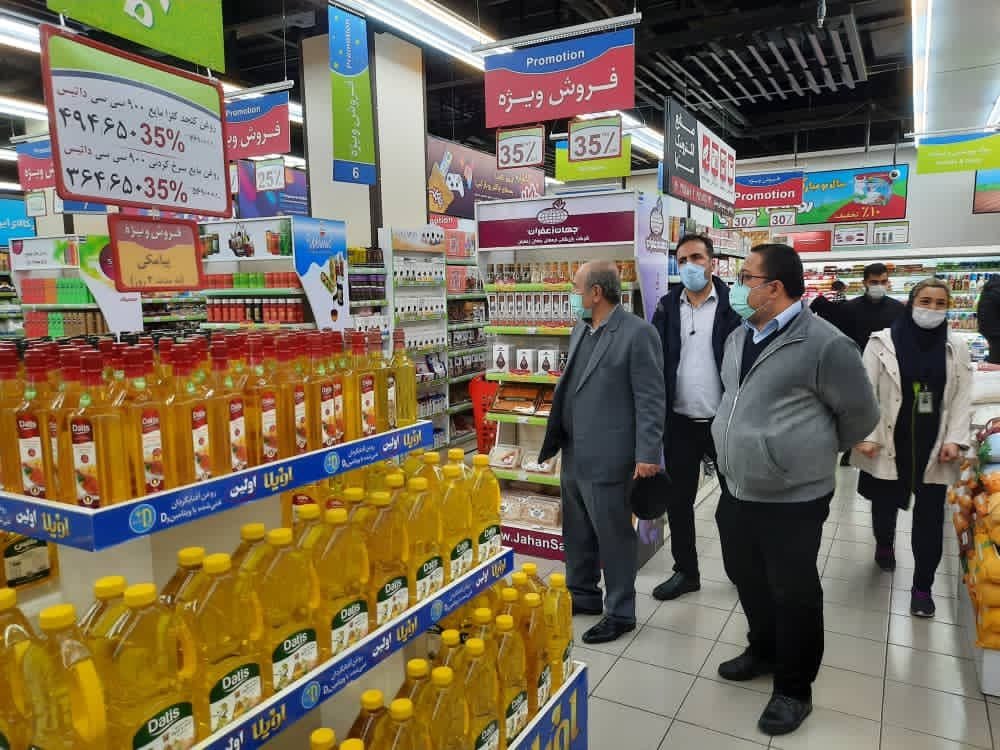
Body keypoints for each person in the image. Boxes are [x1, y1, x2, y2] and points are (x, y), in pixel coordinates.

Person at [712, 244, 878, 736]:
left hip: (793, 496)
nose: (738, 287)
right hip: (736, 485)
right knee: (746, 574)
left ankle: (794, 688)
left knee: (793, 591)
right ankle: (763, 650)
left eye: (746, 278)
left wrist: (806, 452)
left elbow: (861, 414)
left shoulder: (825, 343)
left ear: (775, 288)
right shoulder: (739, 335)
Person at [538, 260, 665, 644]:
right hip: (574, 451)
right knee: (576, 531)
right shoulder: (582, 327)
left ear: (596, 293)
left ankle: (621, 612)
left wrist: (647, 454)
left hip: (611, 455)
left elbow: (650, 399)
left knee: (613, 536)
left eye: (576, 287)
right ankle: (583, 594)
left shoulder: (638, 333)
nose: (572, 294)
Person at [852, 278, 972, 617]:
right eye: (925, 301)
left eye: (940, 304)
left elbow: (963, 396)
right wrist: (867, 435)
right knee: (884, 503)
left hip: (934, 443)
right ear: (910, 303)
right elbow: (865, 391)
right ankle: (884, 543)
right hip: (890, 437)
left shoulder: (956, 346)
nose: (932, 309)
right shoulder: (881, 342)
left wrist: (955, 439)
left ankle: (922, 587)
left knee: (930, 519)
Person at [650, 234, 740, 600]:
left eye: (697, 257)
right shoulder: (667, 306)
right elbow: (654, 359)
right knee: (679, 501)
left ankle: (742, 568)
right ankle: (686, 571)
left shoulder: (734, 304)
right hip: (680, 421)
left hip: (725, 421)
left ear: (712, 262)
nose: (690, 265)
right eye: (683, 259)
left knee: (736, 499)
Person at [842, 262, 905, 350]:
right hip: (858, 356)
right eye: (874, 282)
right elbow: (844, 340)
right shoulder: (848, 308)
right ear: (864, 283)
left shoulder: (898, 308)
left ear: (888, 282)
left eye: (883, 282)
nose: (879, 286)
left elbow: (901, 338)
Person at [977, 275, 1000, 365]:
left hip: (986, 328)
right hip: (996, 330)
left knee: (994, 350)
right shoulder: (997, 292)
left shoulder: (986, 291)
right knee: (996, 355)